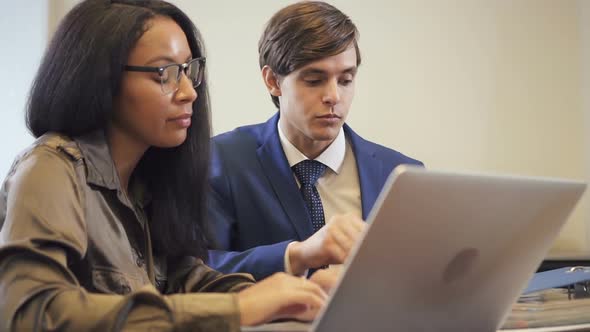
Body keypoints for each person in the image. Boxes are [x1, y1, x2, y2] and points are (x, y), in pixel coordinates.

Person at [0, 1, 335, 330]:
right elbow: (31, 312)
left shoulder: (146, 183)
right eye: (165, 73)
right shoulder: (51, 169)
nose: (189, 92)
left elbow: (189, 279)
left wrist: (296, 297)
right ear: (102, 80)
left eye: (190, 70)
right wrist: (237, 308)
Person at [208, 1, 423, 281]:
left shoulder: (402, 174)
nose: (333, 96)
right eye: (314, 80)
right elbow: (195, 269)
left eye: (345, 80)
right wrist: (295, 256)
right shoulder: (221, 160)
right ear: (272, 80)